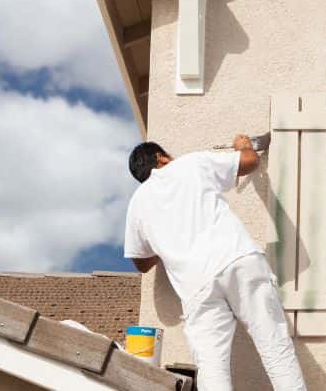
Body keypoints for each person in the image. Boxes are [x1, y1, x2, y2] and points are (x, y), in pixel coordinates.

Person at [124, 136, 306, 391]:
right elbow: (250, 161)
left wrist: (163, 241)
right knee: (274, 346)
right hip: (236, 258)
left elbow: (141, 263)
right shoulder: (191, 163)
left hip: (196, 285)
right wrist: (243, 145)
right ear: (160, 157)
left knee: (212, 367)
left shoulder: (137, 204)